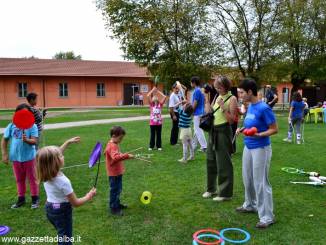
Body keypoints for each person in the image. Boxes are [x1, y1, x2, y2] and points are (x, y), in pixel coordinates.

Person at [36, 137, 96, 244]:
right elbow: (76, 203)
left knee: (61, 233)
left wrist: (67, 142)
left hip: (50, 208)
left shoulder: (46, 174)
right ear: (55, 162)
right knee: (65, 239)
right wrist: (89, 195)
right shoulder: (63, 182)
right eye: (60, 156)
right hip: (62, 211)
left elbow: (52, 156)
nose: (62, 155)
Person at [236, 78, 278, 229]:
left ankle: (267, 216)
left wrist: (260, 135)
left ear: (249, 92)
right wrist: (242, 130)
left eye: (241, 92)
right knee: (247, 178)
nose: (239, 95)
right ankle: (250, 204)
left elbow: (274, 129)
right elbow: (250, 125)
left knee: (260, 182)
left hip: (261, 148)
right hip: (248, 146)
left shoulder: (263, 108)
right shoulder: (250, 107)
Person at [202, 76, 237, 202]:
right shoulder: (216, 96)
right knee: (210, 160)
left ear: (225, 86)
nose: (216, 89)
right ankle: (211, 189)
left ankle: (225, 193)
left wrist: (223, 108)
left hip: (223, 131)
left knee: (223, 162)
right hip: (213, 130)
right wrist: (206, 101)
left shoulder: (232, 98)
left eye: (219, 86)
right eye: (215, 86)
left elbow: (232, 120)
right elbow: (209, 112)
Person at [1, 103, 39, 209]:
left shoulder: (33, 126)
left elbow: (34, 141)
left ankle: (35, 199)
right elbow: (4, 140)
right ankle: (21, 199)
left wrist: (27, 140)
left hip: (29, 157)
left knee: (32, 178)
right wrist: (4, 154)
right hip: (16, 158)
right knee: (19, 179)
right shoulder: (11, 125)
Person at [105, 126, 134, 216]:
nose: (121, 140)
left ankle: (117, 204)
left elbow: (112, 154)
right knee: (115, 190)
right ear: (114, 135)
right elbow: (115, 157)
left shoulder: (112, 144)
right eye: (120, 138)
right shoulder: (113, 145)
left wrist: (125, 155)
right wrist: (126, 156)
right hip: (114, 174)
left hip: (117, 172)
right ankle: (114, 208)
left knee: (118, 189)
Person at [190, 76, 207, 152]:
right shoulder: (201, 90)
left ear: (193, 83)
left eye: (191, 82)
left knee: (198, 130)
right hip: (201, 112)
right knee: (196, 129)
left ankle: (204, 147)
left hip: (197, 113)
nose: (190, 84)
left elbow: (195, 103)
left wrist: (191, 112)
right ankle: (194, 145)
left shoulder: (196, 91)